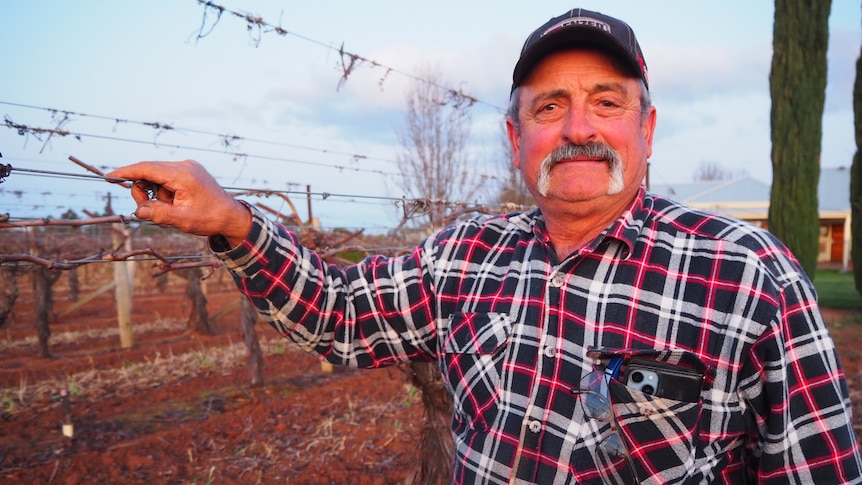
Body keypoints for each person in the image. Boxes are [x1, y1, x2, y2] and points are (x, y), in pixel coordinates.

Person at [107, 8, 862, 484]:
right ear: (515, 137)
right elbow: (338, 312)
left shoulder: (748, 274)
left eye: (607, 102)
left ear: (648, 129)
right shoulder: (465, 255)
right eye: (550, 106)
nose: (578, 128)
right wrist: (233, 223)